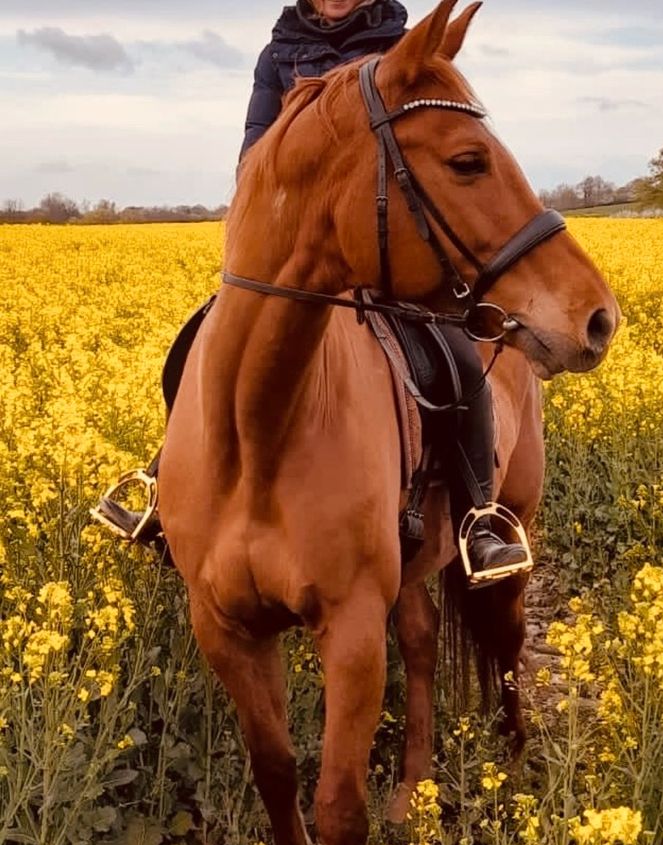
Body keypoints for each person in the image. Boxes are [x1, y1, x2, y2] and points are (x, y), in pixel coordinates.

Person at [93, 0, 528, 581]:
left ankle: (478, 516)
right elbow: (256, 151)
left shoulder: (401, 52)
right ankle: (164, 484)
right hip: (300, 251)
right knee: (199, 346)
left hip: (379, 242)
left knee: (458, 362)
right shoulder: (277, 54)